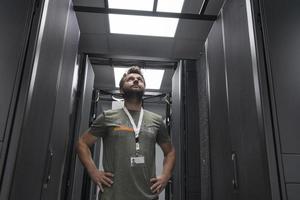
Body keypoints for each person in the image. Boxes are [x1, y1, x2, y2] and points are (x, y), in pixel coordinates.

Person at [76, 66, 176, 200]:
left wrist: (165, 176)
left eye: (139, 79)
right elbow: (82, 143)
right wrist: (93, 171)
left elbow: (170, 152)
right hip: (113, 196)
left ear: (144, 88)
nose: (136, 81)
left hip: (148, 196)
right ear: (121, 89)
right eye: (130, 79)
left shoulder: (156, 120)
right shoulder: (108, 117)